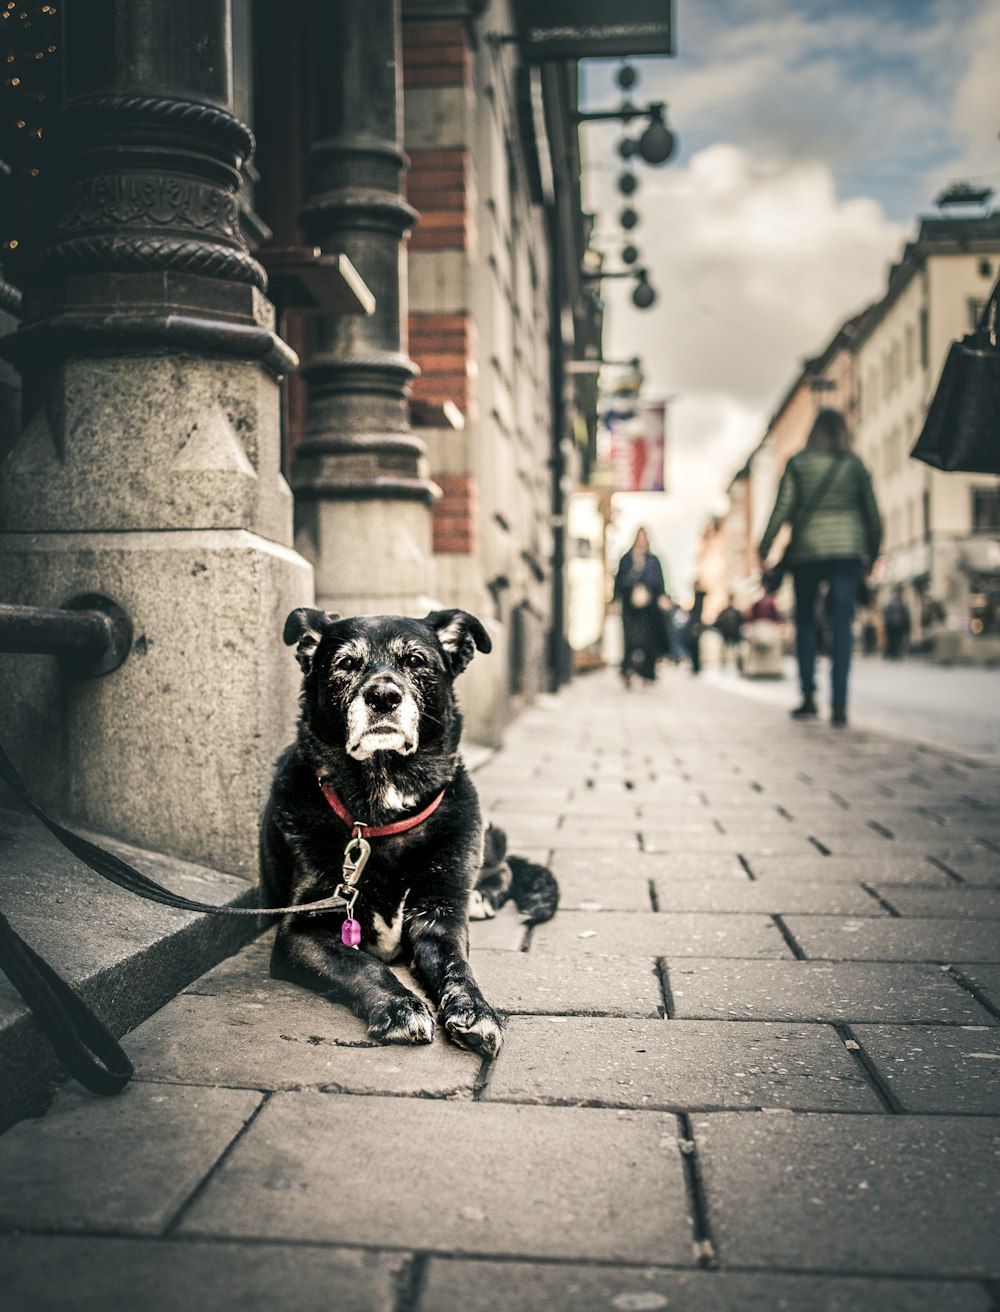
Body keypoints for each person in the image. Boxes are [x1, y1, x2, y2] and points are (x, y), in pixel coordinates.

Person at [758, 409, 881, 726]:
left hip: (807, 550)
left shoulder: (799, 463)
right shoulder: (854, 465)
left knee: (806, 622)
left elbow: (782, 507)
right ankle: (839, 704)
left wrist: (764, 547)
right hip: (848, 551)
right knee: (842, 624)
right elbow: (872, 514)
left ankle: (809, 697)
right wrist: (872, 553)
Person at [613, 527, 667, 686]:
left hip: (649, 608)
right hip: (630, 608)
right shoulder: (627, 559)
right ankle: (628, 670)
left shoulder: (653, 560)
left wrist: (660, 596)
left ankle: (647, 673)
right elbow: (619, 581)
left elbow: (659, 583)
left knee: (649, 641)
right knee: (631, 640)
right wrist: (619, 598)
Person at [713, 594, 744, 669]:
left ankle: (738, 665)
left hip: (733, 633)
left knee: (736, 650)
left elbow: (742, 622)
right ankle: (725, 665)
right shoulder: (727, 611)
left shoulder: (735, 612)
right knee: (726, 650)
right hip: (728, 633)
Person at [882, 586, 912, 659]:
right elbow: (905, 614)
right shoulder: (901, 603)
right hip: (897, 625)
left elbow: (886, 613)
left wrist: (887, 622)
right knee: (897, 639)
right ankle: (895, 653)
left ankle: (893, 653)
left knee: (894, 639)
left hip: (893, 625)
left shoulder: (890, 603)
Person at [685, 580, 707, 675]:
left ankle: (696, 667)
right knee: (694, 646)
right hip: (695, 623)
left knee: (694, 646)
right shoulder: (697, 596)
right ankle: (696, 666)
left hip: (696, 624)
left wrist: (695, 624)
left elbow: (697, 612)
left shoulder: (699, 596)